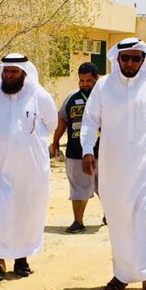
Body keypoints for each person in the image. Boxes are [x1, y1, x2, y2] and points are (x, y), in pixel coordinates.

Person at [79, 37, 146, 290]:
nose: (131, 62)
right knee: (119, 218)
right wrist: (88, 149)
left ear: (144, 59)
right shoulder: (104, 85)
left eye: (137, 58)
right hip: (113, 165)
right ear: (117, 59)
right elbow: (90, 121)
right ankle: (122, 273)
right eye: (126, 58)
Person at [0, 53, 56, 285]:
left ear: (24, 73)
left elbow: (51, 124)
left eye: (14, 72)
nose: (8, 76)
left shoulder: (39, 96)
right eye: (6, 71)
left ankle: (21, 258)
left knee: (25, 212)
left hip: (30, 170)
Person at [50, 61, 100, 233]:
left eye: (88, 81)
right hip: (75, 151)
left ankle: (111, 215)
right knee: (78, 187)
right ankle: (78, 221)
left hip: (103, 151)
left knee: (107, 187)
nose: (85, 84)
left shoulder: (105, 98)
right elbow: (63, 120)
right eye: (82, 81)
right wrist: (55, 141)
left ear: (96, 79)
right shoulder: (71, 98)